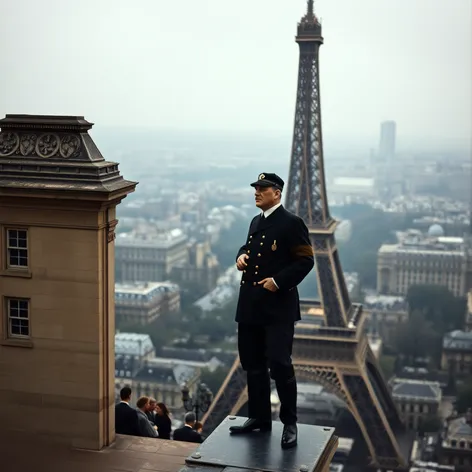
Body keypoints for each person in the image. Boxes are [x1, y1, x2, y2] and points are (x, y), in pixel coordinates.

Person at [229, 172, 314, 450]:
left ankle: (289, 423)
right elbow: (250, 247)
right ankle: (259, 418)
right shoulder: (257, 222)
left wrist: (277, 282)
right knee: (252, 366)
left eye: (262, 189)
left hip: (277, 308)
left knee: (280, 365)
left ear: (276, 193)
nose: (256, 192)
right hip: (251, 305)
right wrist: (241, 255)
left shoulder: (292, 223)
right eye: (255, 188)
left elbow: (306, 261)